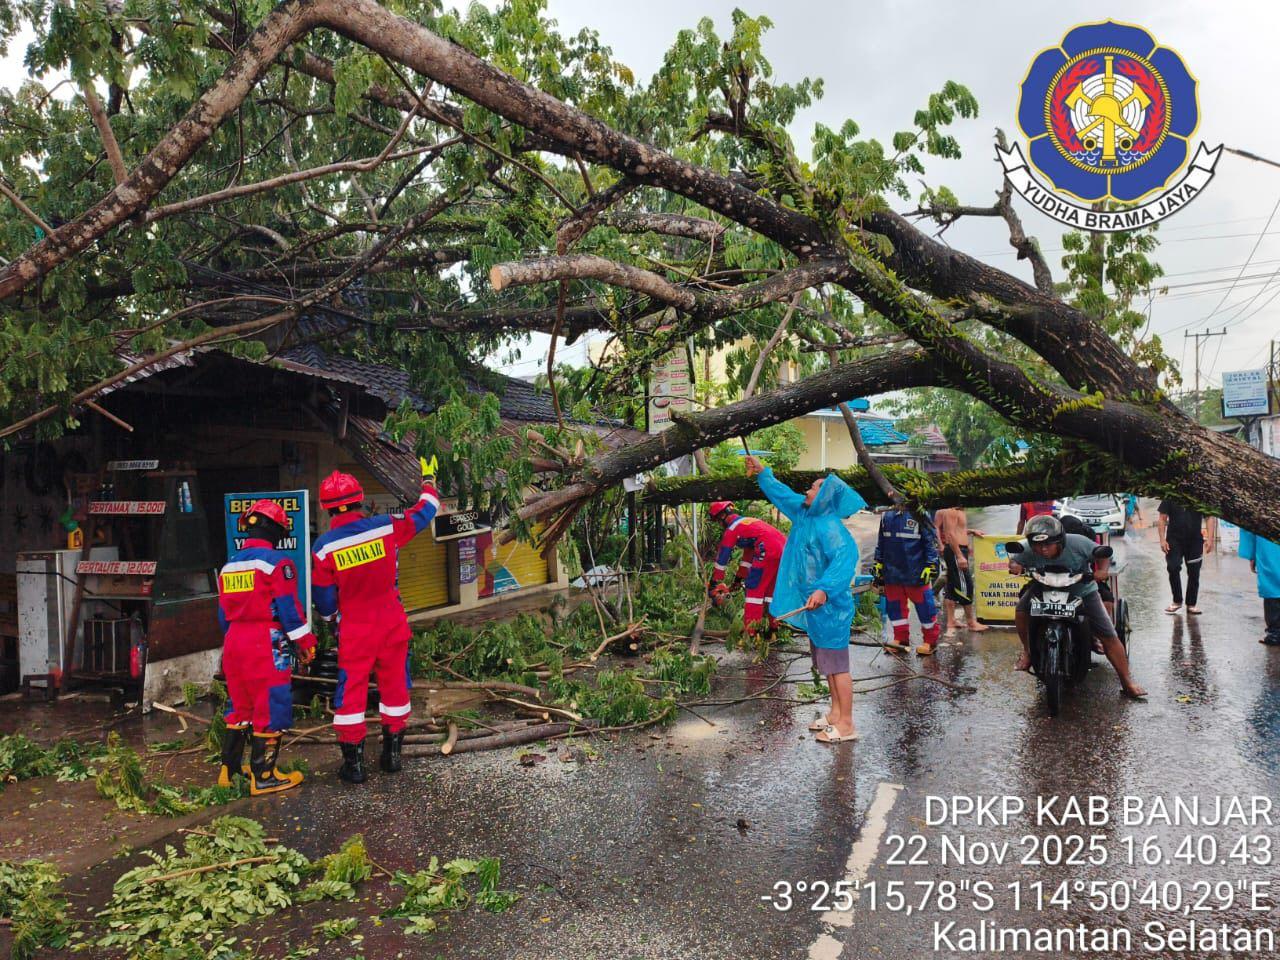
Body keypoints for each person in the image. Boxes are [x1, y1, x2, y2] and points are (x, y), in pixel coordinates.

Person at [312, 456, 440, 783]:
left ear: (327, 509)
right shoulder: (386, 527)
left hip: (355, 629)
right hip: (392, 623)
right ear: (359, 501)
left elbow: (324, 600)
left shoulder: (324, 547)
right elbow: (427, 509)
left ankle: (353, 766)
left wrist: (330, 617)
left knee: (351, 692)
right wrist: (429, 477)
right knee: (395, 686)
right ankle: (392, 755)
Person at [744, 455, 866, 743]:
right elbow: (783, 495)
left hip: (831, 608)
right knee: (826, 665)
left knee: (837, 667)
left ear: (824, 496)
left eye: (812, 488)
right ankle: (835, 714)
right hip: (816, 608)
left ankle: (847, 724)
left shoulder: (830, 527)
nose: (807, 491)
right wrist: (764, 473)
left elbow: (845, 559)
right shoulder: (805, 516)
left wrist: (824, 588)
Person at [216, 499, 316, 795]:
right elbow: (289, 610)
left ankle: (230, 772)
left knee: (241, 706)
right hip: (266, 640)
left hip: (234, 641)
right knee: (271, 704)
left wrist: (234, 639)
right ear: (275, 530)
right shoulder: (278, 563)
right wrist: (306, 643)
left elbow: (222, 615)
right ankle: (264, 775)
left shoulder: (229, 566)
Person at [1013, 515, 1146, 698]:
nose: (1042, 549)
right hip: (1043, 588)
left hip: (1082, 591)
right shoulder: (1027, 548)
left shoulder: (1079, 543)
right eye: (1037, 545)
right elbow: (1015, 560)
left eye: (1048, 545)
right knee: (1021, 610)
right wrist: (1015, 566)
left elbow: (1105, 554)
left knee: (1108, 635)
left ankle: (1127, 682)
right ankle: (1028, 652)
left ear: (1060, 540)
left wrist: (1102, 570)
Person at [705, 500, 786, 635]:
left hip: (768, 550)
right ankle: (773, 628)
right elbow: (748, 557)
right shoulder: (747, 523)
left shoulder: (732, 529)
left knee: (754, 590)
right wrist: (738, 579)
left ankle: (751, 633)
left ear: (721, 517)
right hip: (783, 550)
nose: (719, 524)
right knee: (770, 592)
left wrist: (714, 582)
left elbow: (722, 558)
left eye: (718, 521)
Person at [873, 505, 942, 656]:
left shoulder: (920, 514)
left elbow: (930, 542)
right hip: (892, 572)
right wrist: (878, 561)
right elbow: (881, 542)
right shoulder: (887, 516)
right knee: (895, 607)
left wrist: (931, 564)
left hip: (916, 572)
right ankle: (900, 639)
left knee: (925, 607)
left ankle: (931, 641)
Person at [933, 505, 989, 640]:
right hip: (954, 551)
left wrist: (970, 533)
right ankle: (971, 622)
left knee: (952, 586)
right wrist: (959, 555)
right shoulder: (951, 510)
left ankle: (951, 621)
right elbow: (950, 533)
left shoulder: (959, 509)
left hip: (958, 549)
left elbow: (959, 530)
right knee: (966, 585)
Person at [1158, 499, 1205, 615]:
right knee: (1173, 567)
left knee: (1194, 572)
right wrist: (1162, 540)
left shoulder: (1200, 495)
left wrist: (1210, 540)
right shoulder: (1171, 495)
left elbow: (1209, 517)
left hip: (1194, 540)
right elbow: (1162, 518)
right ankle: (1177, 601)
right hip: (1174, 540)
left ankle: (1191, 604)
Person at [1239, 529, 1280, 646]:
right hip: (1268, 544)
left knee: (1271, 585)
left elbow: (1249, 524)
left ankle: (1275, 634)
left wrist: (1252, 554)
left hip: (1268, 544)